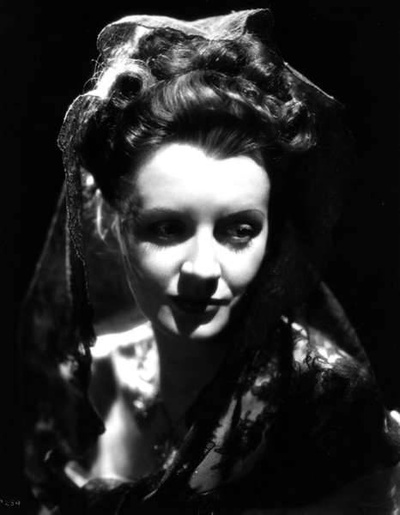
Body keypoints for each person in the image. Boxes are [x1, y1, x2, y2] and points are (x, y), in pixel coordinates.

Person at [22, 8, 400, 514]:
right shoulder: (83, 379)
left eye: (240, 230)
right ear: (112, 224)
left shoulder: (325, 399)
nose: (203, 269)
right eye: (167, 228)